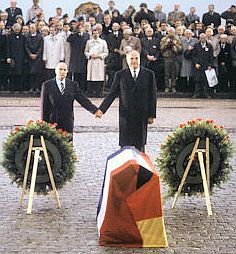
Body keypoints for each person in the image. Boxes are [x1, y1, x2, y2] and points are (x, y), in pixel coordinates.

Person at [95, 50, 157, 152]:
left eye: (136, 58)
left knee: (140, 145)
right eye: (131, 59)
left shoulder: (149, 74)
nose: (134, 61)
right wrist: (101, 110)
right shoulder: (120, 75)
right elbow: (112, 94)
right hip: (126, 115)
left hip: (141, 115)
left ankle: (140, 167)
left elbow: (152, 96)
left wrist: (151, 115)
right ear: (127, 60)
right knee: (125, 145)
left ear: (140, 59)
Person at [41, 62, 98, 134]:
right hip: (52, 123)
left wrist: (94, 110)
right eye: (60, 69)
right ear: (56, 71)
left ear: (67, 71)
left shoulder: (73, 85)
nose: (62, 72)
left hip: (67, 122)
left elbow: (82, 99)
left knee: (68, 144)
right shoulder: (47, 85)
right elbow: (44, 107)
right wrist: (44, 125)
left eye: (65, 70)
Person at [84, 28, 108, 97]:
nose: (95, 35)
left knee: (99, 76)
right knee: (91, 76)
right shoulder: (89, 42)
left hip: (99, 61)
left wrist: (99, 56)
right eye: (94, 33)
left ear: (99, 33)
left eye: (96, 33)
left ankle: (99, 92)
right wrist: (90, 55)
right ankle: (90, 92)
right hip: (91, 61)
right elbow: (86, 51)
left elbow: (106, 52)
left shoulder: (103, 42)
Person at [192, 33, 213, 98]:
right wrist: (196, 63)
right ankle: (196, 93)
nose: (202, 39)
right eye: (201, 38)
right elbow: (194, 56)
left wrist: (210, 65)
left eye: (204, 38)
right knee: (197, 80)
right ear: (199, 38)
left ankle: (206, 94)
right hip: (198, 65)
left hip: (206, 65)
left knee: (205, 80)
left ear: (206, 38)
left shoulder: (209, 46)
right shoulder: (196, 45)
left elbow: (211, 56)